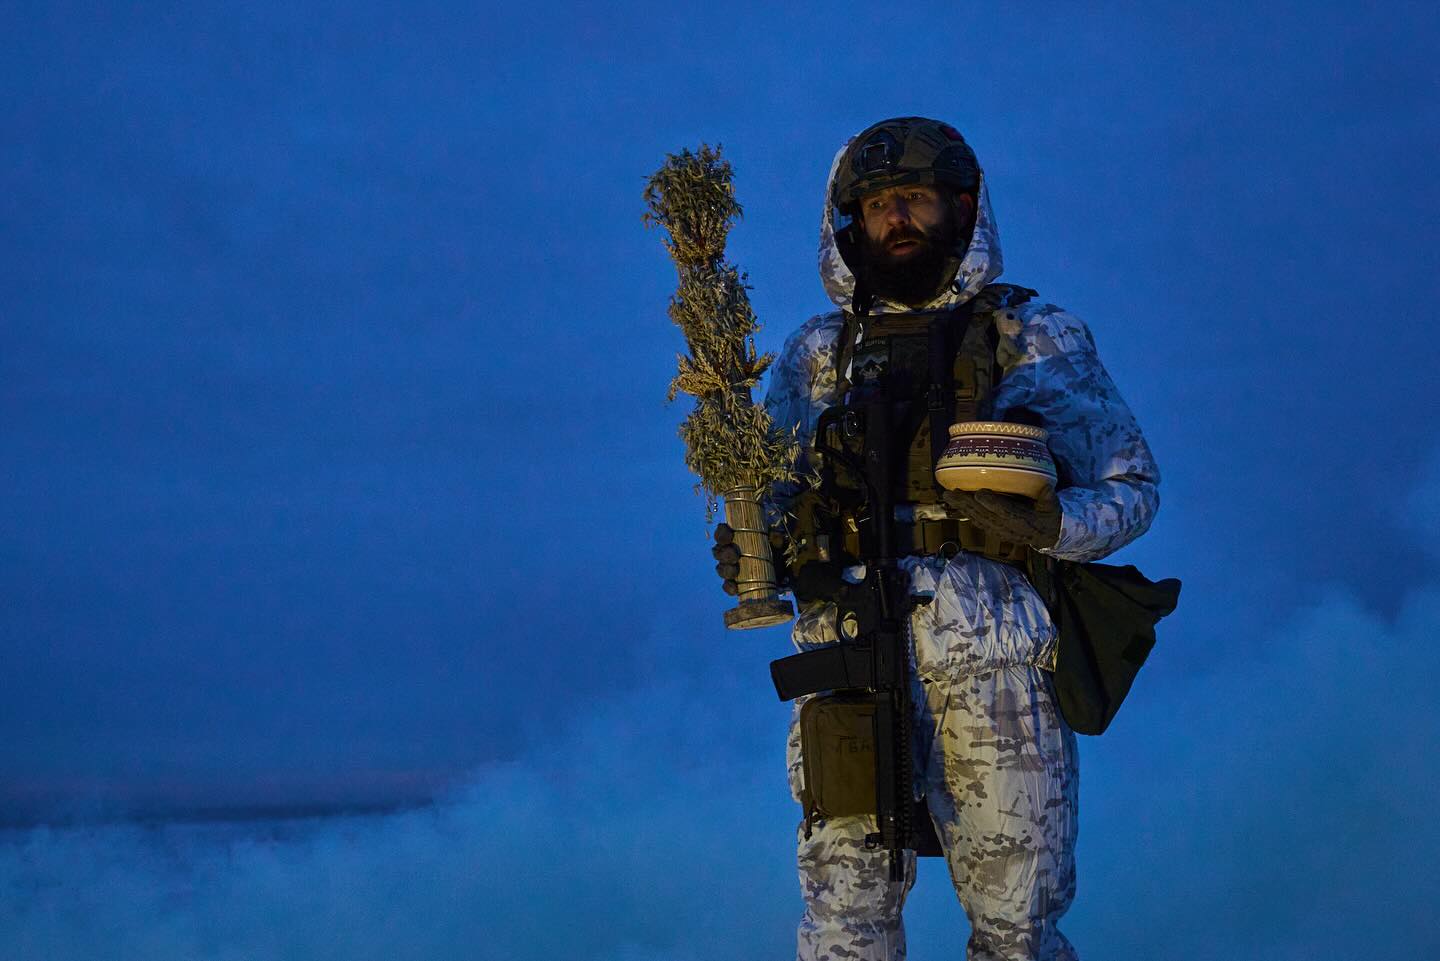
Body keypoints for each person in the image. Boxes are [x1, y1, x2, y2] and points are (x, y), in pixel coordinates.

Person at [715, 118, 1160, 960]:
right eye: (878, 204)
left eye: (914, 197)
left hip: (993, 657)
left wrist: (1054, 523)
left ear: (962, 206)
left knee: (1016, 927)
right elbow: (767, 494)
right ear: (851, 223)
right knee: (843, 925)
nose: (897, 219)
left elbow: (1133, 489)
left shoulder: (1033, 333)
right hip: (847, 653)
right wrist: (748, 544)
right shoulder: (816, 355)